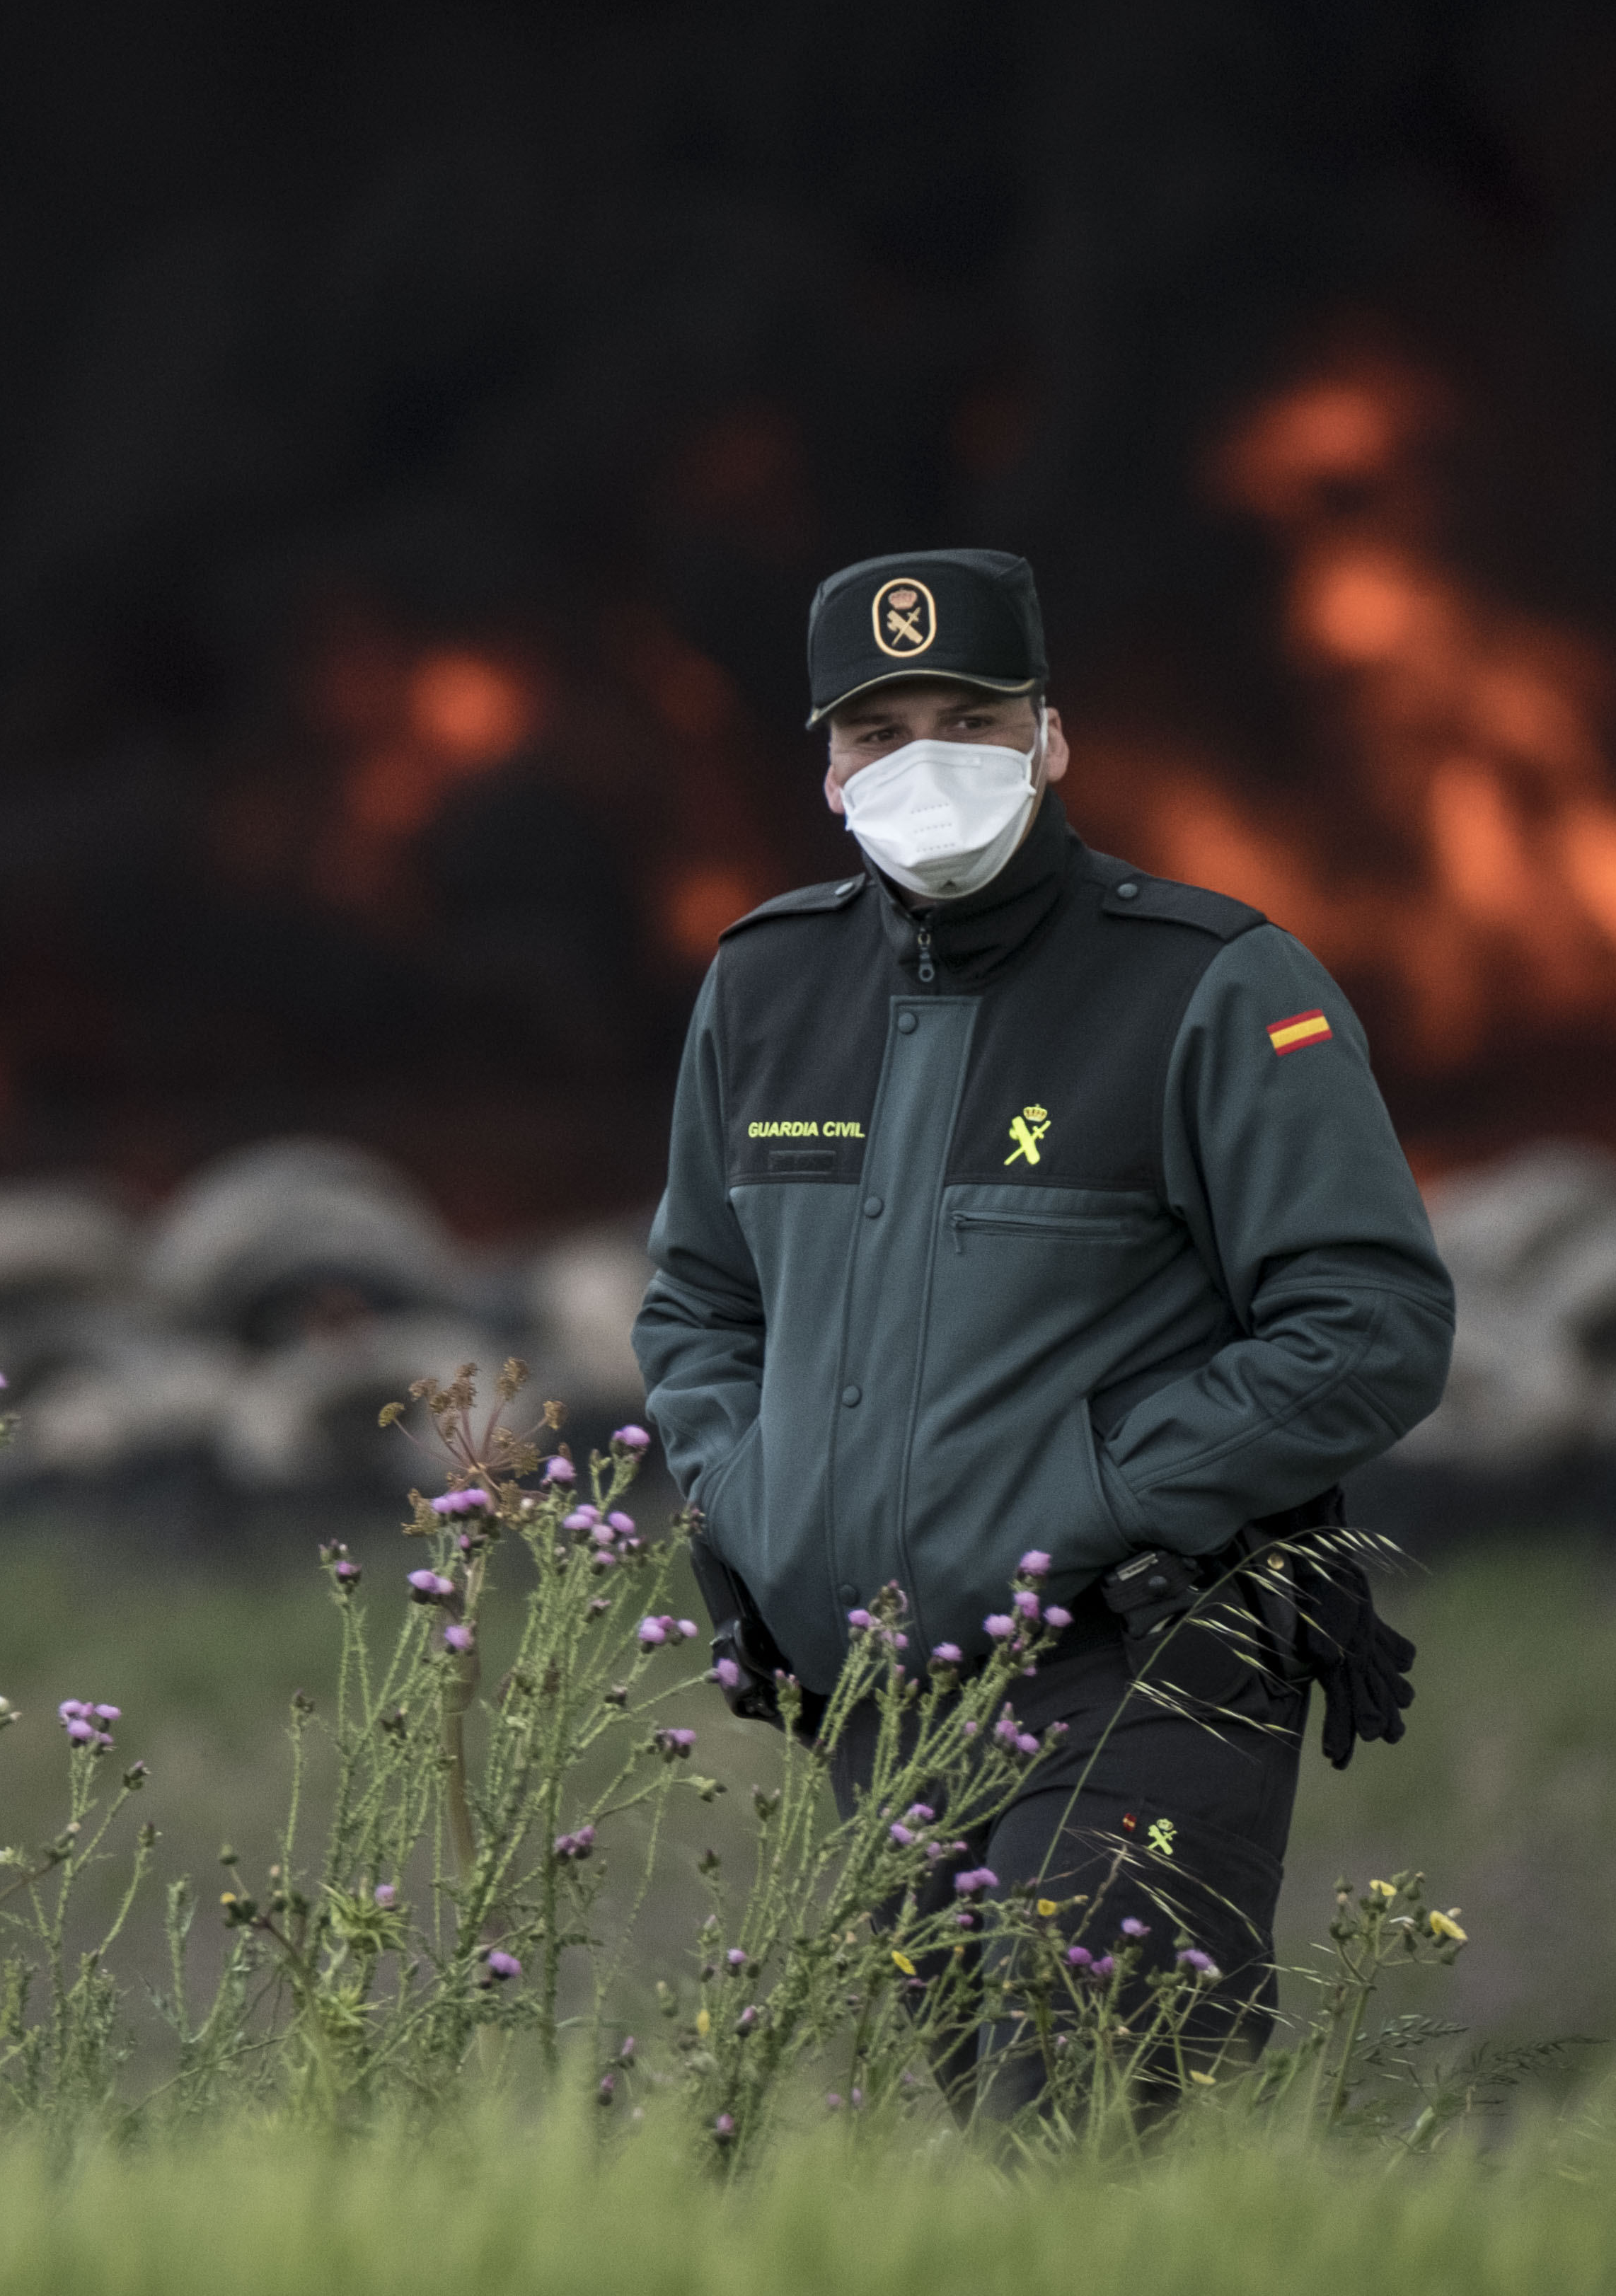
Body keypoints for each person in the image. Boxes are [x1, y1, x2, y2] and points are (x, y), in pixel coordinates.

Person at [630, 547, 1453, 2114]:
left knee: (1087, 2142)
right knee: (1017, 2182)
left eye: (970, 716)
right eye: (879, 731)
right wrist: (756, 1500)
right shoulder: (759, 985)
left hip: (1135, 1669)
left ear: (1050, 736)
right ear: (825, 765)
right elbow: (696, 1304)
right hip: (879, 1708)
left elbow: (1371, 1322)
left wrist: (1091, 1492)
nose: (923, 759)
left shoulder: (1217, 985)